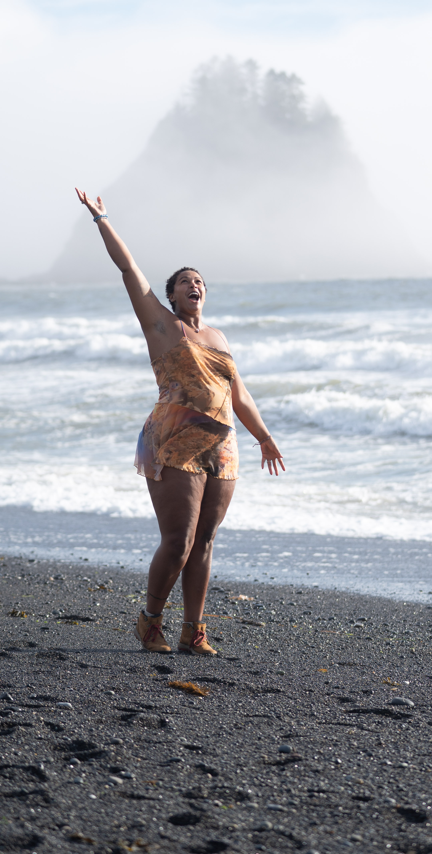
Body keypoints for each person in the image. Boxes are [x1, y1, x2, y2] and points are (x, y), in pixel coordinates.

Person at [76, 189, 285, 656]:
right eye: (185, 282)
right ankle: (150, 621)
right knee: (179, 540)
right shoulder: (162, 325)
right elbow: (129, 269)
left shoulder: (219, 337)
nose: (195, 286)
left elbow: (239, 393)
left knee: (206, 541)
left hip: (222, 445)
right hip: (174, 441)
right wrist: (102, 220)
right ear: (170, 295)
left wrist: (265, 438)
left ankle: (193, 629)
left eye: (200, 282)